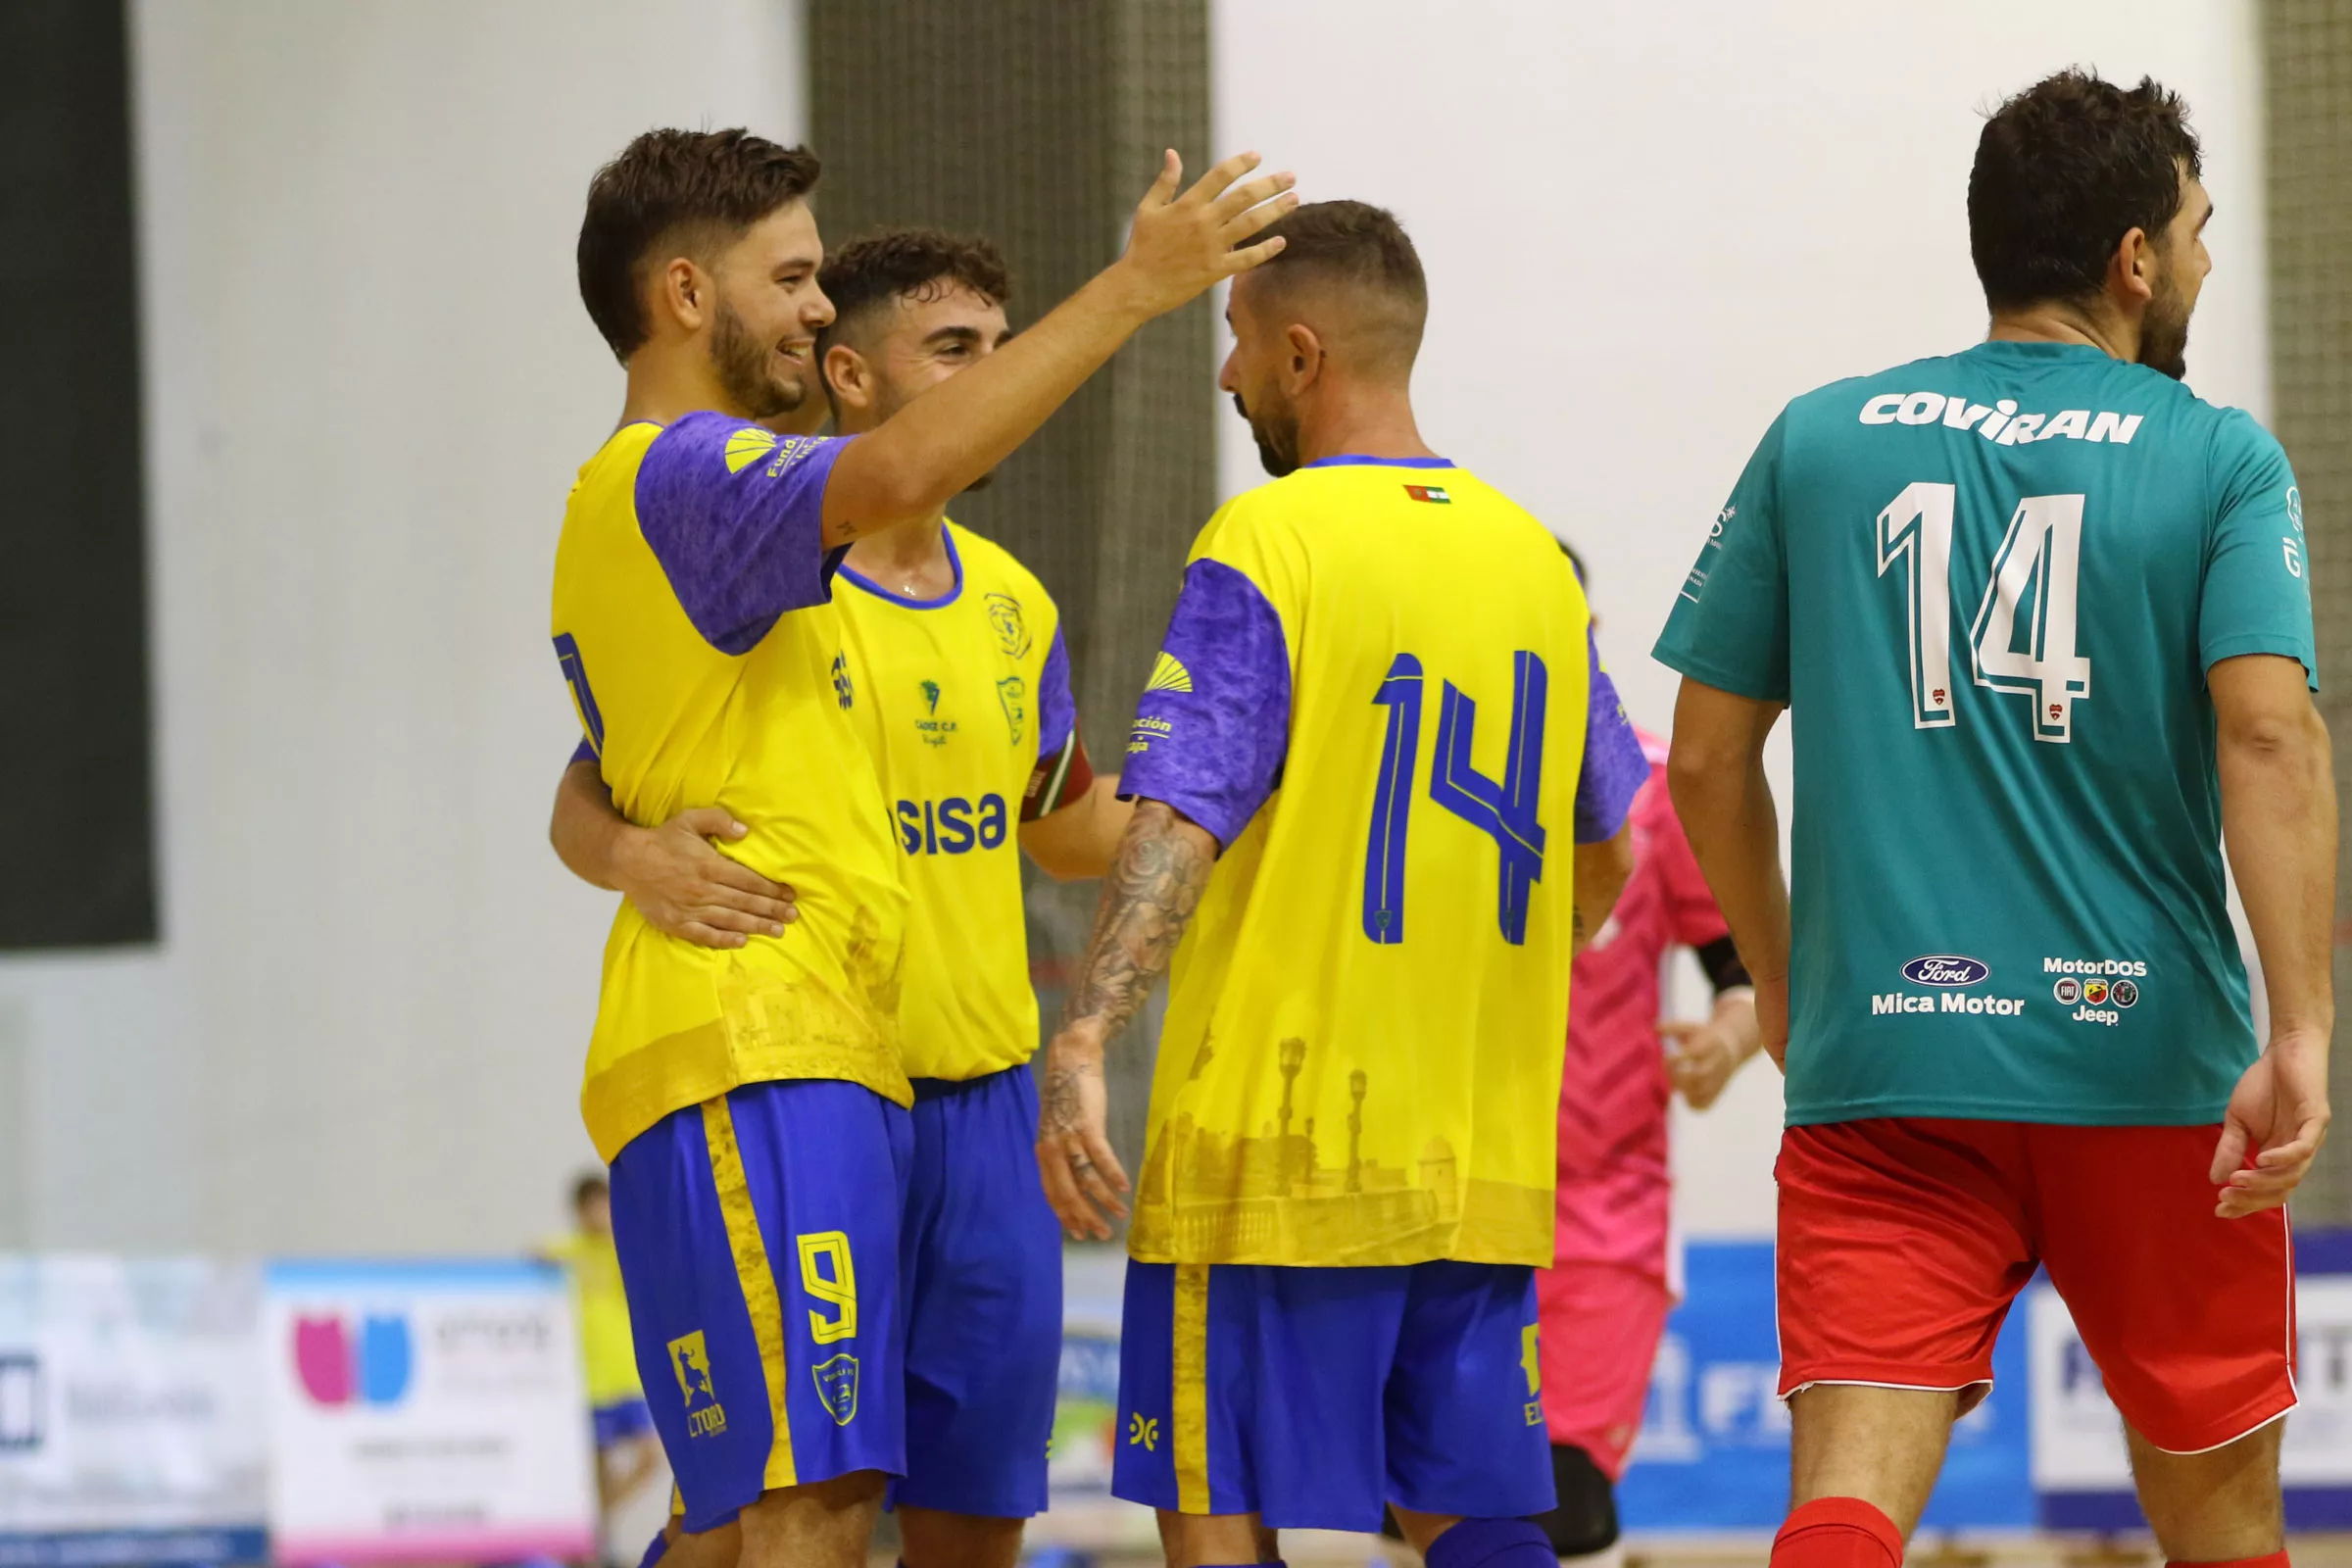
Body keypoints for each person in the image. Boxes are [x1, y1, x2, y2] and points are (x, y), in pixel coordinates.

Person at [551, 126, 1294, 1568]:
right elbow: (884, 479)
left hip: (877, 1067)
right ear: (692, 297)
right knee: (802, 1509)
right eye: (796, 278)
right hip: (750, 1035)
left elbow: (615, 765)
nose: (819, 307)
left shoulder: (919, 581)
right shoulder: (687, 474)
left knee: (780, 1517)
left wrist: (1247, 801)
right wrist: (1138, 288)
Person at [1655, 71, 2333, 1568]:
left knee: (1843, 1506)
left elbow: (1704, 759)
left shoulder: (1821, 438)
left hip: (1887, 1062)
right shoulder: (2214, 453)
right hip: (2153, 1070)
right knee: (2225, 1527)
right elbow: (2270, 735)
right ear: (2134, 262)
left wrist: (1784, 985)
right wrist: (2302, 1029)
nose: (2206, 263)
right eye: (2198, 234)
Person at [1033, 199, 1648, 1568]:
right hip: (1476, 1149)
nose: (1228, 372)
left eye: (1238, 340)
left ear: (1301, 353)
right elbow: (1613, 840)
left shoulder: (1271, 539)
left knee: (1218, 1508)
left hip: (1275, 1141)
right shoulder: (1534, 562)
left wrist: (1085, 1031)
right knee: (1472, 1515)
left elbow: (1180, 820)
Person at [1534, 558, 1762, 1566]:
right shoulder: (1412, 781)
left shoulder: (1655, 789)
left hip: (1600, 1216)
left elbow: (1745, 963)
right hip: (1432, 1205)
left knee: (1564, 1505)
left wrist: (1730, 1036)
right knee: (1434, 1511)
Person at [543, 1174, 667, 1544]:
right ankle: (596, 1544)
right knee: (597, 1471)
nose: (599, 1215)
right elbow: (536, 1254)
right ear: (579, 1212)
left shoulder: (624, 1248)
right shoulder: (570, 1251)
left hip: (626, 1375)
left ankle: (592, 1526)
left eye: (604, 1206)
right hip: (588, 1378)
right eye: (592, 1207)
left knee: (650, 1458)